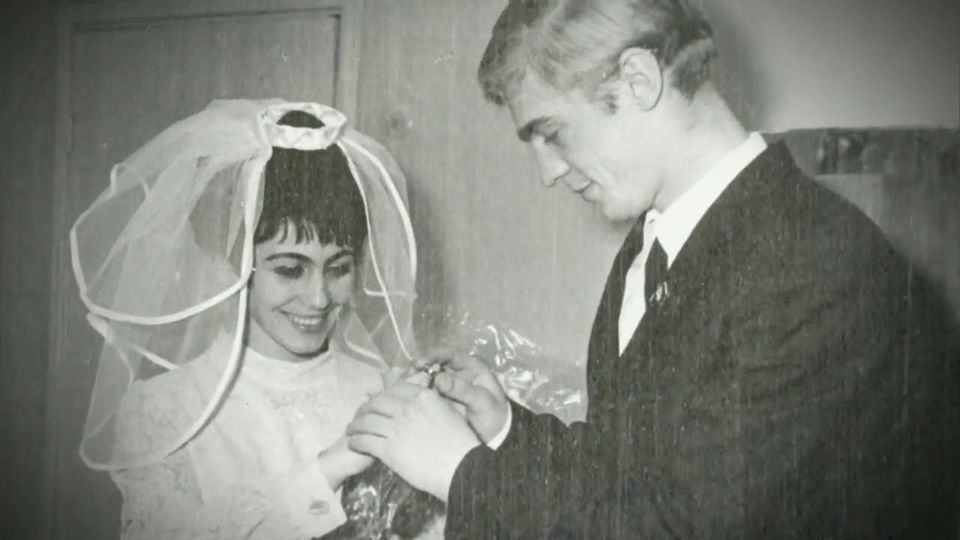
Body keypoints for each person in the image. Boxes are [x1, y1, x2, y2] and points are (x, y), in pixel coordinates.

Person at [347, 1, 960, 537]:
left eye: (552, 133)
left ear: (638, 80)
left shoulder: (813, 261)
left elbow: (690, 529)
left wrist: (461, 472)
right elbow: (642, 476)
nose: (548, 172)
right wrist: (506, 428)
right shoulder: (655, 242)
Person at [70, 100, 421, 538]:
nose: (318, 297)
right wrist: (325, 471)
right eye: (289, 270)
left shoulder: (380, 391)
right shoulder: (162, 413)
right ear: (231, 265)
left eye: (338, 268)